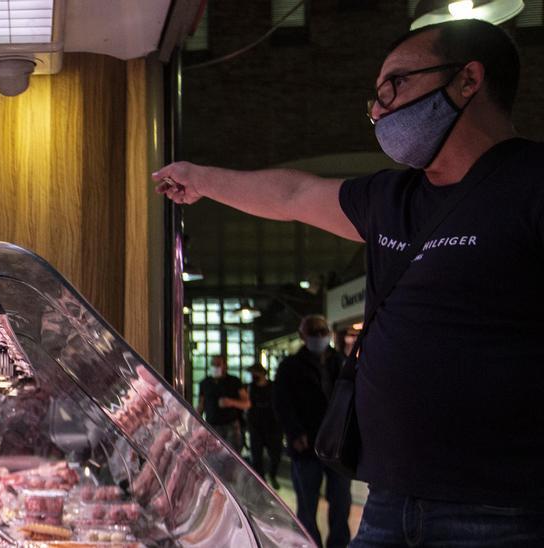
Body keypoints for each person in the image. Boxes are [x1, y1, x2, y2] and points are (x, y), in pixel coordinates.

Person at [155, 18, 544, 545]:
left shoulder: (529, 182)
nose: (380, 110)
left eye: (395, 86)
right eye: (375, 99)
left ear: (467, 80)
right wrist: (201, 178)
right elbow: (293, 195)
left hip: (499, 509)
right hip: (388, 499)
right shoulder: (391, 198)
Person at [274, 316, 350, 548]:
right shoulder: (290, 367)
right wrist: (295, 434)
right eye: (313, 332)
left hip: (338, 446)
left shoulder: (341, 362)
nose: (319, 336)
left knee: (341, 502)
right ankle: (311, 544)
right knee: (307, 506)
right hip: (306, 444)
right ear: (302, 336)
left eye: (322, 331)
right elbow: (282, 404)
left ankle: (338, 544)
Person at [196, 355, 249, 452]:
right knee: (213, 456)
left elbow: (247, 403)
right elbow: (201, 405)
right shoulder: (205, 383)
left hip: (231, 425)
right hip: (212, 426)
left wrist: (231, 402)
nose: (215, 367)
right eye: (213, 364)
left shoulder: (234, 381)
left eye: (218, 364)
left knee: (232, 456)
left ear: (225, 366)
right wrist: (195, 422)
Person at [246, 362, 282, 489]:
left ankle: (272, 475)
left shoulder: (273, 387)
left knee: (275, 455)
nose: (253, 376)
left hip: (273, 426)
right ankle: (261, 483)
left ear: (262, 373)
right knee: (256, 457)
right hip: (256, 426)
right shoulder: (250, 387)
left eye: (255, 373)